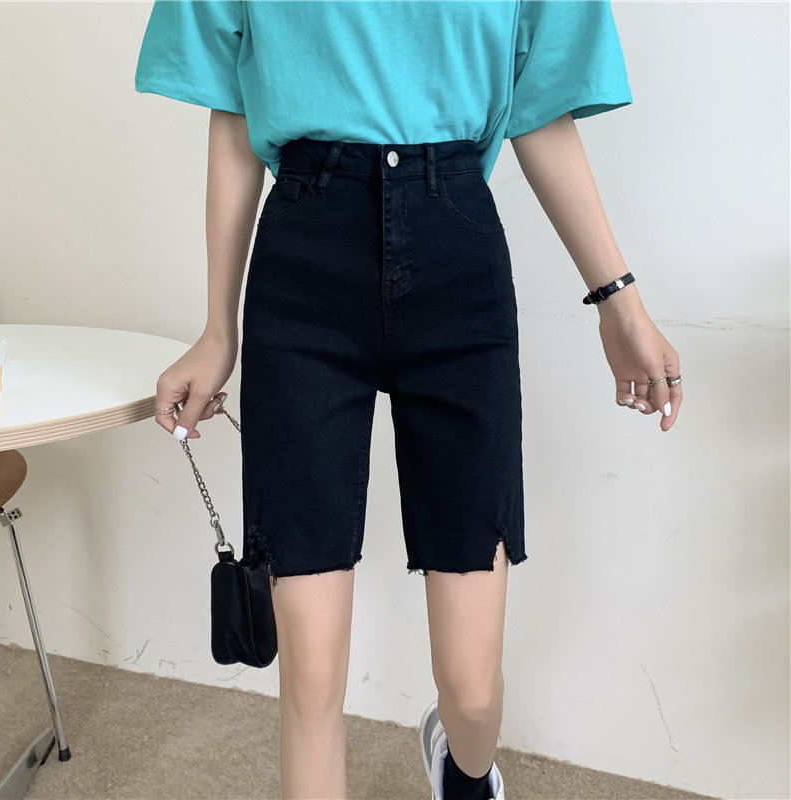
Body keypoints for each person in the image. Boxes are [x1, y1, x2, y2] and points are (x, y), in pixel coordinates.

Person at [135, 2, 683, 798]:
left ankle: (463, 770)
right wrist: (219, 329)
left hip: (457, 261)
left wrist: (619, 302)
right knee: (311, 676)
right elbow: (233, 102)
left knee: (473, 694)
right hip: (304, 266)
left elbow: (541, 106)